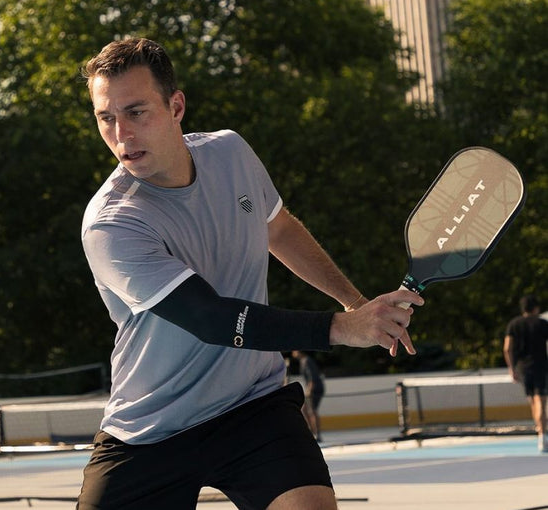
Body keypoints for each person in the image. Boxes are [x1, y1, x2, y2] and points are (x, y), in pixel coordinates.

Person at [78, 37, 424, 510]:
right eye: (106, 118)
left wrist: (355, 302)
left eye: (136, 112)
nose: (121, 134)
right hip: (152, 428)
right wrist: (344, 329)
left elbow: (278, 229)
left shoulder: (231, 153)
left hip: (252, 406)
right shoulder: (112, 223)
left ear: (176, 106)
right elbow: (211, 318)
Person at [503, 294, 548, 453]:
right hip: (541, 367)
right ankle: (543, 436)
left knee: (533, 403)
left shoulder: (513, 324)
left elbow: (507, 348)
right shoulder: (542, 324)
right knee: (541, 403)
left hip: (523, 369)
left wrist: (512, 369)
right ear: (535, 308)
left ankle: (540, 433)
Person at [288, 351, 326, 442]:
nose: (293, 353)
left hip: (315, 388)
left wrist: (309, 390)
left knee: (312, 410)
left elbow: (312, 377)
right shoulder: (303, 361)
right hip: (311, 388)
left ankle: (317, 434)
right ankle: (311, 432)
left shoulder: (307, 361)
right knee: (304, 409)